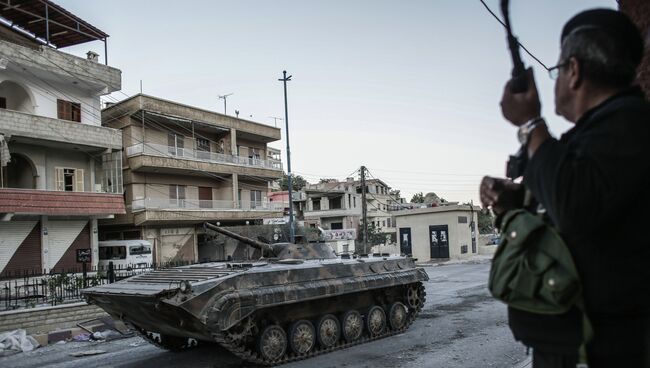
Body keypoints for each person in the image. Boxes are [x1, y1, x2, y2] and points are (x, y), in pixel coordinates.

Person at [480, 8, 650, 368]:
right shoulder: (597, 134)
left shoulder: (629, 126)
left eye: (556, 70)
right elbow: (574, 204)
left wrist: (530, 123)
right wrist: (517, 200)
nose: (554, 80)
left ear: (573, 71)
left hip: (602, 351)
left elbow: (574, 205)